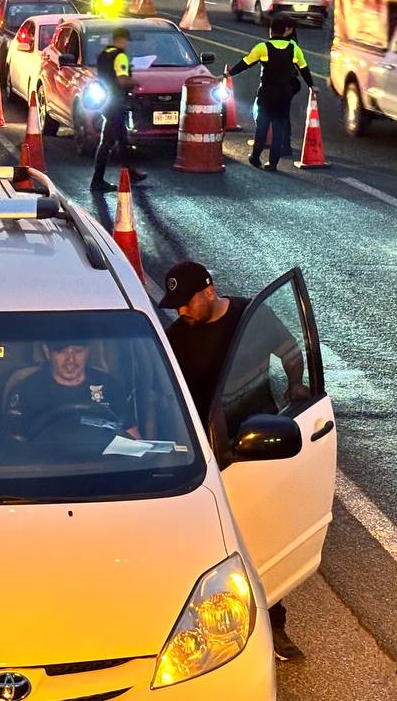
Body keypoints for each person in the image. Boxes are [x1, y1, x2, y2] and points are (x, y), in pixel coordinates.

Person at [158, 260, 310, 662]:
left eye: (186, 302)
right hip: (200, 451)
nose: (180, 312)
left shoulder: (249, 319)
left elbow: (291, 352)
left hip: (251, 444)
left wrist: (295, 386)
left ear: (208, 291)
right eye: (174, 305)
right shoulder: (176, 336)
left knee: (258, 535)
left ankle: (273, 627)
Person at [227, 16, 313, 172]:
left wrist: (228, 74)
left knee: (262, 126)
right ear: (285, 31)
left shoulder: (263, 47)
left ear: (271, 31)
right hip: (285, 94)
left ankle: (255, 157)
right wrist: (312, 86)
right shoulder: (294, 48)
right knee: (279, 127)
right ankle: (273, 163)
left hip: (266, 94)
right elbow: (304, 69)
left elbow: (245, 63)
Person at [5, 341, 139, 439]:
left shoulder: (109, 386)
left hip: (102, 467)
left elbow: (134, 440)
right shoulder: (27, 390)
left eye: (78, 350)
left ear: (88, 351)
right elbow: (15, 448)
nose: (70, 359)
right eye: (61, 351)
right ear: (47, 352)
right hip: (46, 469)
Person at [90, 26, 147, 192]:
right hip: (116, 103)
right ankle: (98, 179)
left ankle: (130, 173)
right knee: (110, 142)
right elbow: (122, 80)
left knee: (119, 140)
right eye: (127, 40)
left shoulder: (103, 55)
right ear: (122, 39)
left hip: (107, 102)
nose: (127, 44)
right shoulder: (120, 56)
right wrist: (135, 82)